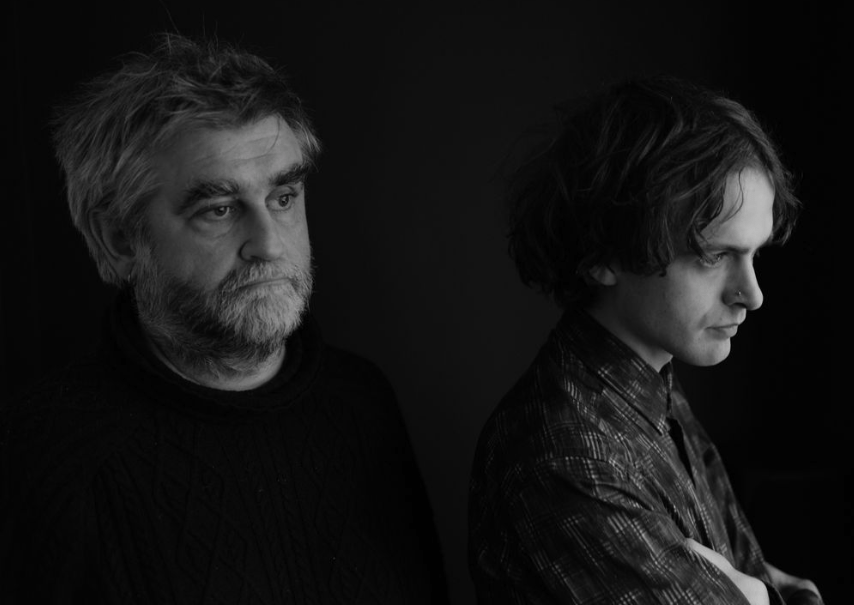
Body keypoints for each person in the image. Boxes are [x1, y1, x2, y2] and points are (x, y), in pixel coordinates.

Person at [0, 33, 448, 604]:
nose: (269, 244)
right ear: (118, 240)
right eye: (218, 209)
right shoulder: (43, 458)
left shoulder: (361, 399)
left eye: (283, 197)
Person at [468, 76, 823, 604]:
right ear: (604, 255)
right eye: (714, 255)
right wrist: (758, 597)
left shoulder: (653, 387)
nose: (752, 295)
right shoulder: (571, 459)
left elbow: (757, 581)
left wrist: (756, 593)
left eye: (754, 254)